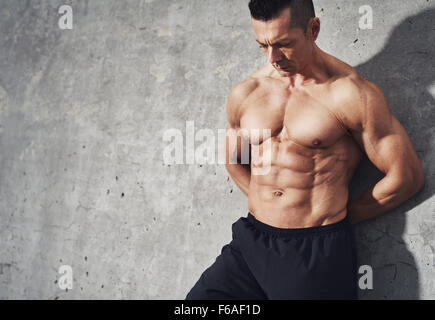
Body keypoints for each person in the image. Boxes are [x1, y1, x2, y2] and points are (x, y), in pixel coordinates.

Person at [185, 0, 424, 300]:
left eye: (284, 44)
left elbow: (407, 176)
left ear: (314, 29)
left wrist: (336, 221)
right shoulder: (247, 92)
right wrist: (270, 207)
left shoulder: (351, 94)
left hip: (315, 254)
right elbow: (234, 160)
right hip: (251, 243)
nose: (273, 57)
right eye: (263, 45)